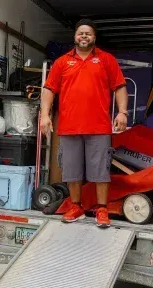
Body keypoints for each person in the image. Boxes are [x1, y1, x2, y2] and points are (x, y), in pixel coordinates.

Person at [40, 18, 128, 228]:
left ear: (94, 38)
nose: (84, 36)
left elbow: (120, 86)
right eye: (81, 33)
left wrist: (122, 112)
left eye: (88, 33)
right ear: (75, 37)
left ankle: (102, 209)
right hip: (69, 127)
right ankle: (76, 207)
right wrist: (45, 115)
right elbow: (49, 89)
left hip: (99, 127)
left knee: (100, 170)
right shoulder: (62, 62)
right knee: (71, 170)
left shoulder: (106, 60)